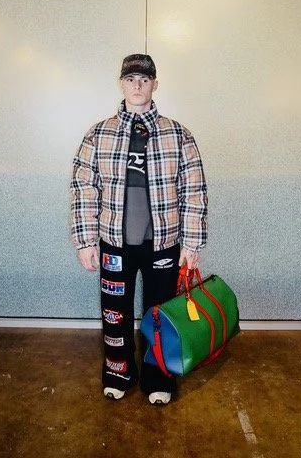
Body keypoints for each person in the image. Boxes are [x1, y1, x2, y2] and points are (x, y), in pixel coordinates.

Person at [70, 54, 208, 405]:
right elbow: (84, 189)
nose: (137, 85)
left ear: (154, 85)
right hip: (114, 244)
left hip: (164, 245)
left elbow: (193, 191)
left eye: (144, 80)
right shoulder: (98, 134)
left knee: (160, 316)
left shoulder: (179, 134)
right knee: (114, 314)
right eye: (130, 79)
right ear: (121, 84)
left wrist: (191, 243)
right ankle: (117, 373)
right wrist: (85, 242)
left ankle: (158, 377)